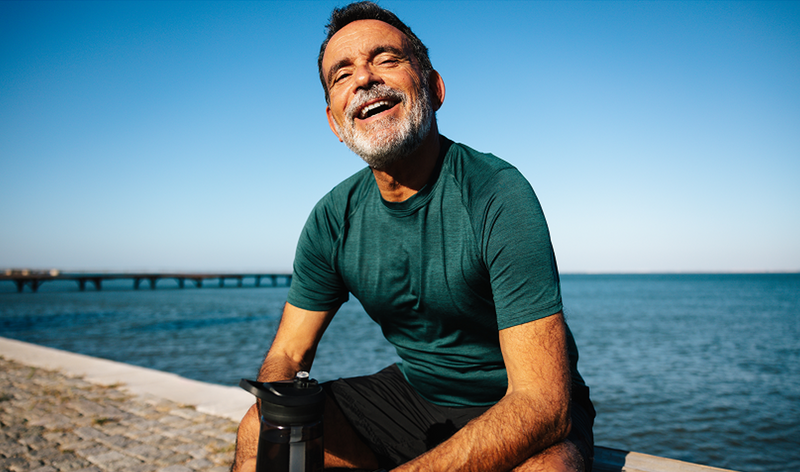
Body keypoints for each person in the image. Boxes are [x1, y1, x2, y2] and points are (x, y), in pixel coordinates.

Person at [232, 2, 595, 471]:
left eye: (386, 59)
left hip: (511, 399)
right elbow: (288, 351)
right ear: (334, 123)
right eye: (341, 74)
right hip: (412, 396)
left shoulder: (496, 192)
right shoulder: (332, 218)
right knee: (260, 428)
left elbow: (543, 404)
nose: (363, 78)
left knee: (551, 468)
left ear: (435, 87)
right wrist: (281, 403)